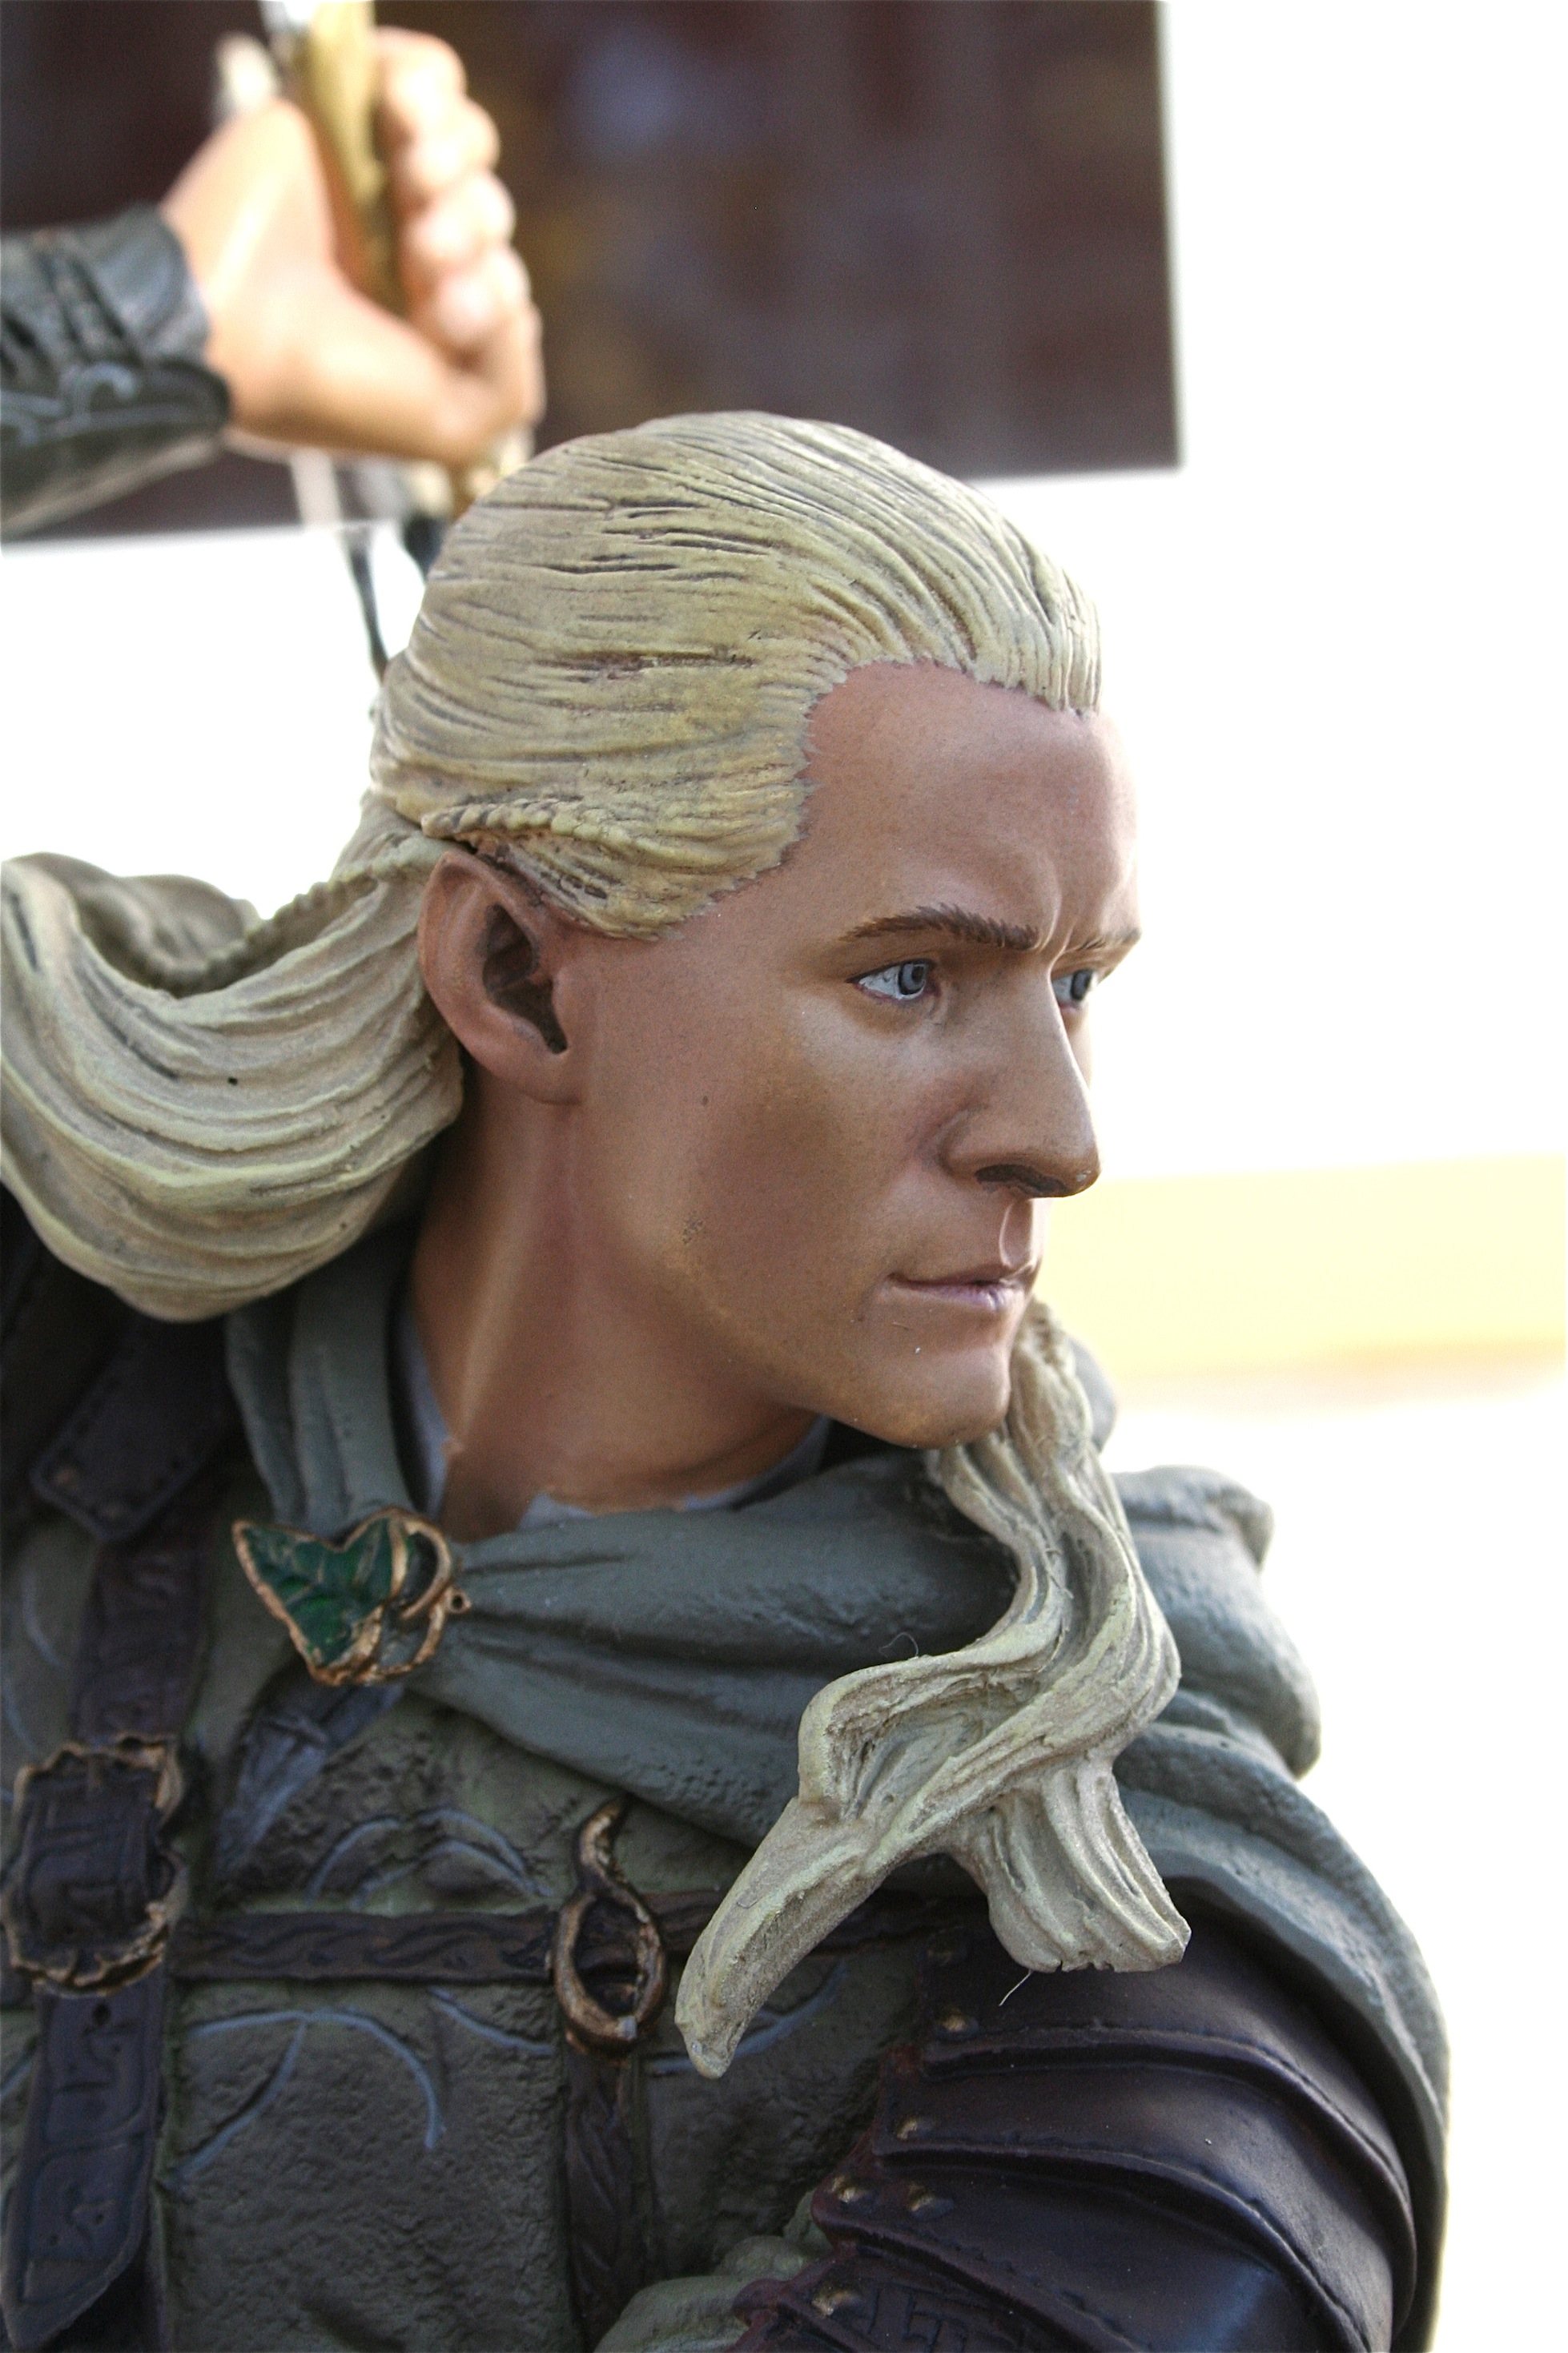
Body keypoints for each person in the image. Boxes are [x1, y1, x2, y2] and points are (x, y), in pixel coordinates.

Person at [0, 59, 1444, 2353]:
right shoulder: (82, 1346)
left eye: (1076, 984)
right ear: (512, 973)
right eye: (913, 976)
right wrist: (154, 319)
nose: (1061, 1134)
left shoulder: (1094, 1873)